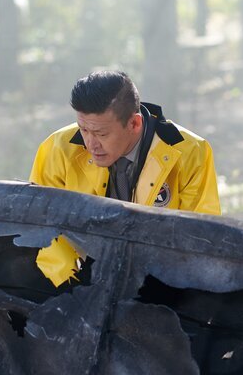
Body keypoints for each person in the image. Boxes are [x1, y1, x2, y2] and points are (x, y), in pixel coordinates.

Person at [30, 70, 221, 285]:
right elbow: (44, 230)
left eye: (101, 134)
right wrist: (68, 292)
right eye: (83, 129)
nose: (90, 144)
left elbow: (200, 238)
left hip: (161, 281)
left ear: (134, 124)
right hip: (80, 277)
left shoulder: (191, 152)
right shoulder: (58, 148)